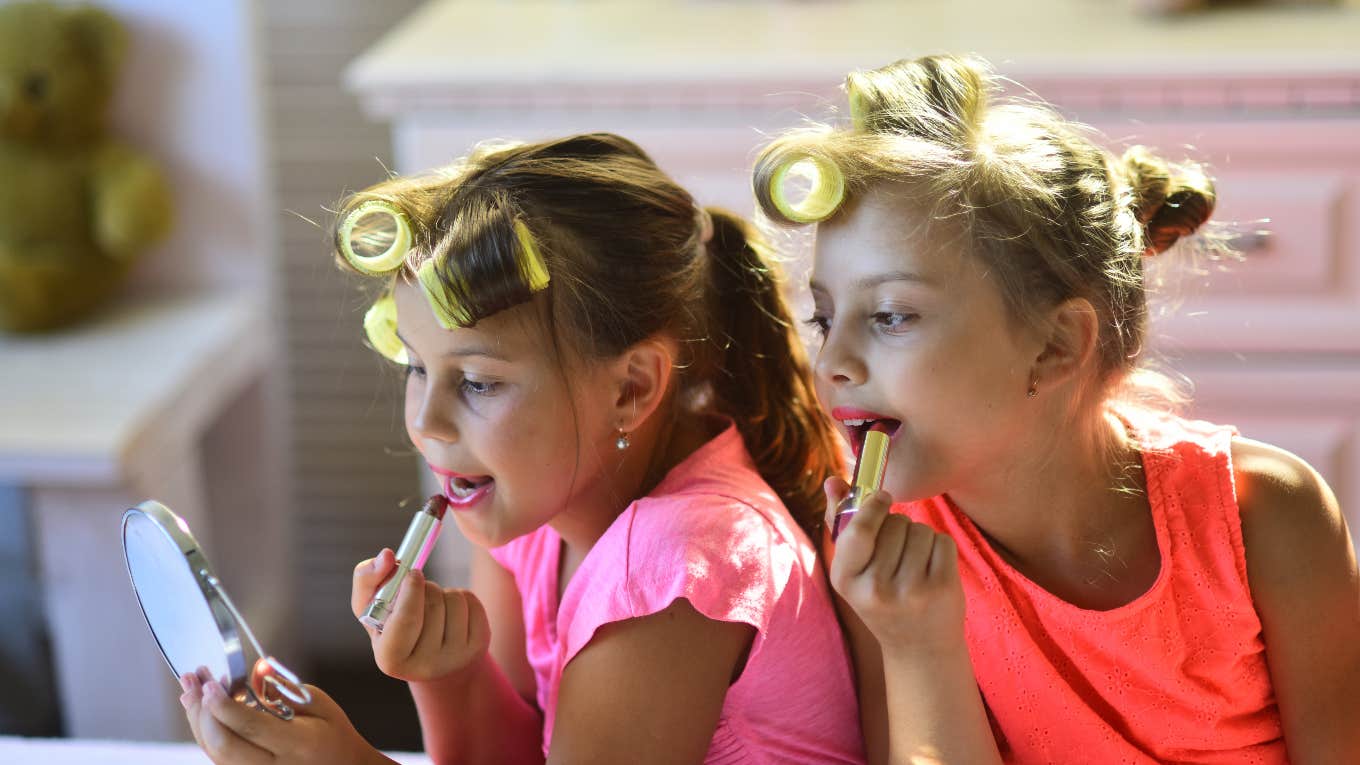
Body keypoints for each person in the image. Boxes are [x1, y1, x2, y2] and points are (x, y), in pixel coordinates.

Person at [178, 132, 866, 765]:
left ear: (631, 387)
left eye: (478, 382)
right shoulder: (532, 512)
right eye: (417, 367)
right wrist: (451, 674)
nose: (429, 422)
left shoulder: (676, 563)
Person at [751, 54, 1360, 764]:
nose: (832, 363)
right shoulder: (887, 559)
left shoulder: (1266, 517)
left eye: (889, 315)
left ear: (1055, 345)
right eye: (825, 318)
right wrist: (918, 646)